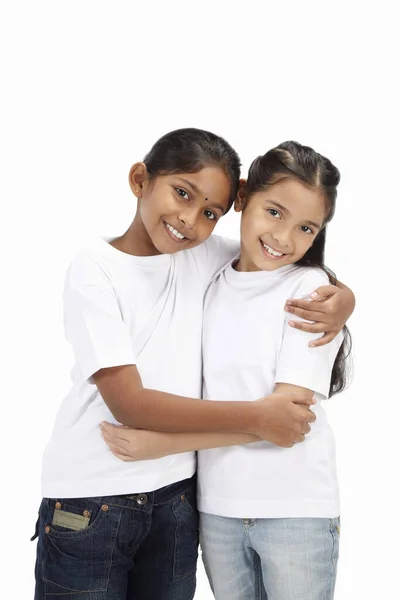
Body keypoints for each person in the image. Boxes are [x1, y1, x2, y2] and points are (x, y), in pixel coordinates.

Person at [34, 130, 354, 600]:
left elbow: (281, 264)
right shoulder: (96, 268)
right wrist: (258, 417)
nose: (190, 220)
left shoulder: (203, 255)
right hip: (92, 493)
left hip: (178, 494)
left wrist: (345, 299)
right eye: (182, 193)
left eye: (210, 213)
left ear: (231, 205)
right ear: (139, 179)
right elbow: (131, 404)